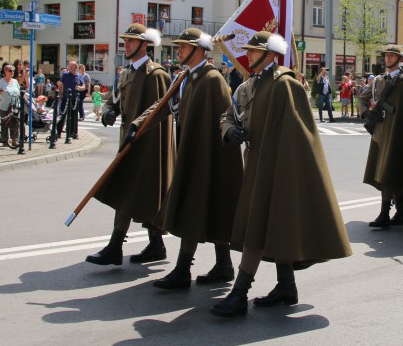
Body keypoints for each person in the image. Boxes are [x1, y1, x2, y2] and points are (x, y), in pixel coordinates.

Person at [213, 31, 352, 317]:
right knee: (275, 227)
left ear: (270, 55)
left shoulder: (285, 84)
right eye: (249, 50)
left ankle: (239, 294)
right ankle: (286, 286)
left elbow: (298, 135)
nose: (248, 55)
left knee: (258, 230)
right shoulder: (249, 84)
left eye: (254, 51)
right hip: (256, 164)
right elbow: (229, 114)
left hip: (277, 168)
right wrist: (230, 130)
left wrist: (283, 168)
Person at [139, 29, 244, 290]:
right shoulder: (186, 77)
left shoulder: (211, 80)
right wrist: (137, 125)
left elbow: (218, 121)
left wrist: (205, 158)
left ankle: (185, 269)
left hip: (208, 157)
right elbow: (165, 104)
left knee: (202, 208)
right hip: (192, 153)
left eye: (184, 47)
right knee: (203, 208)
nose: (179, 51)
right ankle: (222, 265)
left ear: (199, 49)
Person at [90, 25, 173, 265]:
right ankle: (143, 245)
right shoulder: (125, 73)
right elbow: (114, 101)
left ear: (144, 44)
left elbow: (161, 110)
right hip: (127, 141)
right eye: (125, 41)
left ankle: (124, 245)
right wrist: (108, 112)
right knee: (128, 191)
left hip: (148, 146)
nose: (126, 45)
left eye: (131, 41)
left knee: (142, 193)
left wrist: (142, 134)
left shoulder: (155, 74)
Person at [360, 45, 403, 228]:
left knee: (394, 172)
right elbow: (363, 98)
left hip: (399, 134)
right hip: (381, 132)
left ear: (400, 59)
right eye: (386, 55)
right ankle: (390, 212)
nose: (387, 59)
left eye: (391, 56)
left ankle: (394, 211)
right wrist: (367, 114)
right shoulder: (379, 80)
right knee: (385, 172)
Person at [55, 61, 82, 139]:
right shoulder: (65, 75)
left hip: (74, 100)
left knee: (73, 116)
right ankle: (58, 132)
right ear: (69, 67)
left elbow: (83, 86)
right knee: (62, 115)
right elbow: (60, 84)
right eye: (72, 66)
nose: (74, 67)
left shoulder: (79, 76)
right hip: (65, 98)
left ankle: (72, 132)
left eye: (75, 66)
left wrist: (80, 88)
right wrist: (60, 93)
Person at [0, 63, 21, 147]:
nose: (12, 72)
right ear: (5, 71)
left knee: (15, 122)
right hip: (4, 105)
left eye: (13, 71)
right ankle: (5, 140)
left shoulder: (15, 81)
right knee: (5, 123)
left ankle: (14, 140)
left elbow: (18, 91)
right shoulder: (1, 81)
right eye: (10, 71)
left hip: (15, 105)